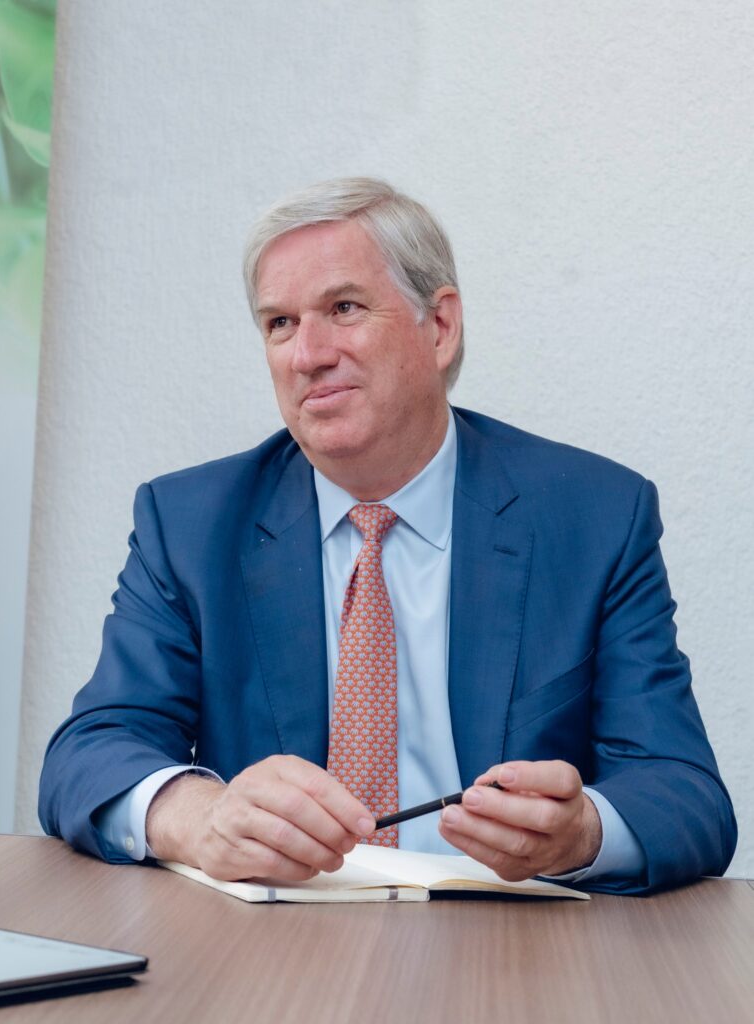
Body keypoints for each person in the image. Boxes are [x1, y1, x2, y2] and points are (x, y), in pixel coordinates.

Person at [39, 177, 736, 895]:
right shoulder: (191, 524)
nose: (308, 354)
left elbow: (686, 797)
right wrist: (198, 817)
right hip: (277, 933)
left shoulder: (594, 517)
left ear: (440, 328)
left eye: (343, 309)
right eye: (280, 323)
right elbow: (87, 754)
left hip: (504, 934)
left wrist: (583, 830)